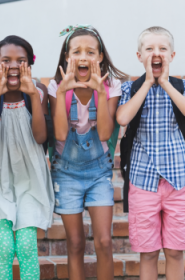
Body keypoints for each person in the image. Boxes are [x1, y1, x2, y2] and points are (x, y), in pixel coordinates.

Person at [49, 25, 126, 280]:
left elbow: (104, 133)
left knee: (104, 241)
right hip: (66, 173)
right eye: (77, 51)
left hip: (98, 172)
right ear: (67, 57)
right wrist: (61, 93)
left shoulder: (111, 86)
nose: (83, 57)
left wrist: (99, 93)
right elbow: (60, 134)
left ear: (100, 56)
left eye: (90, 52)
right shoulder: (56, 86)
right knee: (76, 243)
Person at [0, 35, 54, 280]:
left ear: (29, 66)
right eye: (6, 60)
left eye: (21, 61)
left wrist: (32, 95)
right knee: (5, 248)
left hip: (31, 182)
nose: (13, 66)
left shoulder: (38, 92)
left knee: (27, 248)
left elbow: (41, 138)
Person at [117, 26, 185, 280]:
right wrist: (147, 82)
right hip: (143, 181)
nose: (156, 53)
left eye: (162, 48)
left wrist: (165, 83)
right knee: (148, 253)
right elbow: (123, 117)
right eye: (149, 49)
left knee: (176, 252)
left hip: (179, 181)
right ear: (139, 56)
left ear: (172, 55)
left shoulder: (180, 87)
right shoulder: (131, 88)